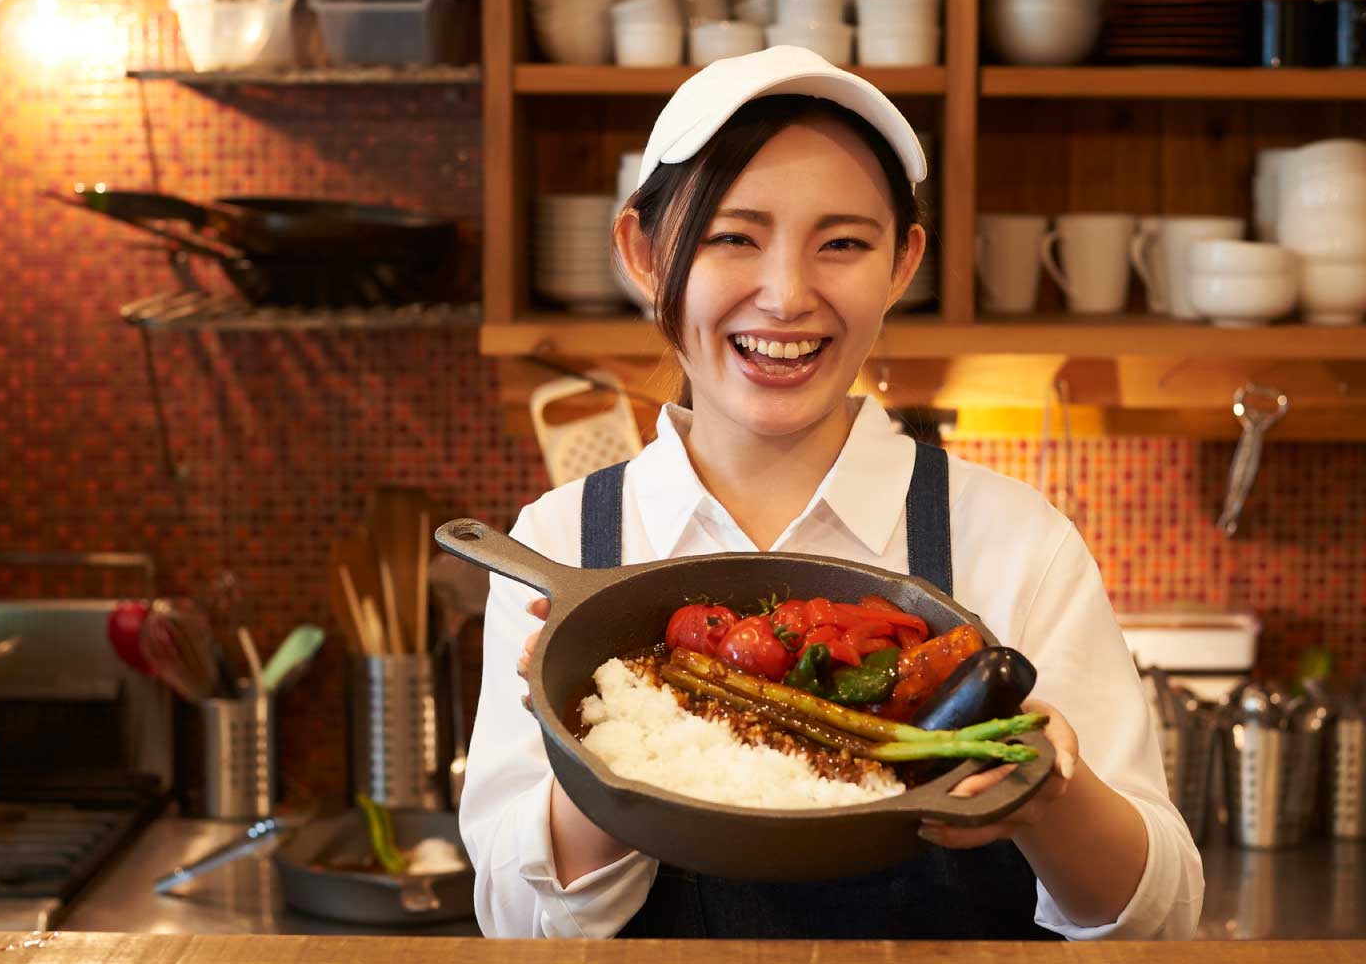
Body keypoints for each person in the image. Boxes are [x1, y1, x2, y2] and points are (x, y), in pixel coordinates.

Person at [458, 46, 1203, 940]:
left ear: (902, 264)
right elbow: (510, 922)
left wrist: (1052, 798)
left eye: (842, 243)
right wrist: (604, 734)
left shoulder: (1013, 540)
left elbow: (1160, 927)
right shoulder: (565, 539)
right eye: (734, 237)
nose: (785, 295)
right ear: (645, 253)